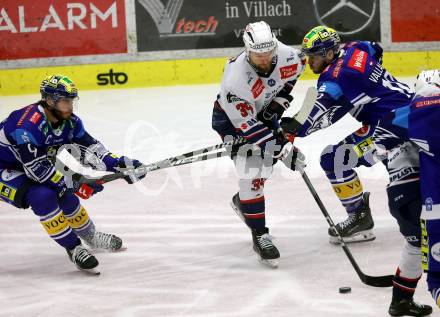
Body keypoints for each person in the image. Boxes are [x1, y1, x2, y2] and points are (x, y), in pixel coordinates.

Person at [281, 25, 415, 244]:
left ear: (330, 53)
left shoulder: (337, 78)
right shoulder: (356, 49)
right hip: (411, 114)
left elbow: (315, 116)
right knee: (404, 167)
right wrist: (369, 86)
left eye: (313, 56)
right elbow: (376, 49)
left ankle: (359, 218)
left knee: (335, 159)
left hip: (392, 128)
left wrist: (285, 129)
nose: (309, 62)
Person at [0, 75, 145, 274]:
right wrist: (77, 184)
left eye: (72, 100)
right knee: (43, 195)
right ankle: (74, 247)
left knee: (63, 192)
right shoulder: (27, 127)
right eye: (65, 101)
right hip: (5, 169)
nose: (70, 106)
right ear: (49, 101)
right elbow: (39, 171)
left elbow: (92, 147)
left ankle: (90, 236)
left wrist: (119, 163)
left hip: (28, 164)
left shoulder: (69, 121)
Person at [211, 21, 306, 267]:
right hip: (233, 122)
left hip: (264, 112)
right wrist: (281, 147)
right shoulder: (235, 80)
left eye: (268, 53)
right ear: (247, 50)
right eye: (258, 55)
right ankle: (259, 234)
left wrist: (281, 99)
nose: (264, 60)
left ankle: (244, 202)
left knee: (266, 165)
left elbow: (296, 71)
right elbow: (247, 125)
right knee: (251, 172)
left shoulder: (287, 56)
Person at [373, 69, 440, 315]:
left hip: (403, 196)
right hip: (415, 196)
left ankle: (401, 299)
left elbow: (376, 146)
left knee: (415, 244)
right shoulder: (414, 114)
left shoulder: (403, 115)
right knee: (425, 244)